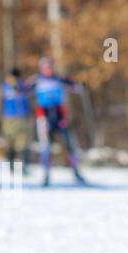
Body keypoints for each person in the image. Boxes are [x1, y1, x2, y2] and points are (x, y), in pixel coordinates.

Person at [32, 54, 87, 187]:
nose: (48, 69)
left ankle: (76, 172)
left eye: (50, 66)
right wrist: (16, 88)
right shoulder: (36, 80)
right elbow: (23, 89)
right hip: (44, 116)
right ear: (41, 68)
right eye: (45, 67)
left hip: (59, 115)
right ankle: (46, 175)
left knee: (69, 145)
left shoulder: (58, 79)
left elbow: (73, 85)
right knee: (46, 147)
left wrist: (79, 86)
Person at [0, 68, 33, 168]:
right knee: (10, 143)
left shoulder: (25, 87)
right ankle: (11, 165)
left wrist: (32, 114)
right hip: (9, 119)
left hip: (23, 118)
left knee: (23, 143)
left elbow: (32, 101)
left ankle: (23, 165)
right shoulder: (3, 88)